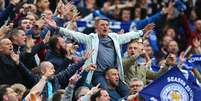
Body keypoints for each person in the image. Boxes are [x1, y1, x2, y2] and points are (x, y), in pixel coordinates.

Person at [46, 16, 154, 92]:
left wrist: (142, 32)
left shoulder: (115, 37)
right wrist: (57, 28)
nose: (105, 27)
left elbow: (128, 36)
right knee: (105, 91)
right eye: (102, 25)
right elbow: (74, 34)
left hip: (113, 72)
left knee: (126, 91)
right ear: (97, 28)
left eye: (107, 25)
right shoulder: (90, 38)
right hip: (98, 73)